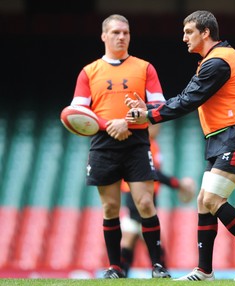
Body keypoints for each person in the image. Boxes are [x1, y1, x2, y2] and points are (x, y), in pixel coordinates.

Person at [125, 10, 235, 281]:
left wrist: (148, 114)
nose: (184, 38)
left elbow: (188, 100)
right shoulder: (213, 60)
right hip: (222, 137)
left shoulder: (217, 62)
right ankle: (204, 270)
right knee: (204, 203)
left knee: (212, 200)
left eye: (189, 32)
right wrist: (149, 108)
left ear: (205, 32)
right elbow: (186, 97)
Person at [69, 14, 171, 279]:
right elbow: (77, 111)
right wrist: (109, 125)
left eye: (125, 32)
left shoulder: (145, 68)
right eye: (115, 32)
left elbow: (159, 107)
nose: (121, 37)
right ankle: (115, 267)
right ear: (104, 36)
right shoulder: (89, 72)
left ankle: (157, 266)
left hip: (136, 142)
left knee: (146, 203)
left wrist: (130, 121)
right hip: (103, 144)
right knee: (110, 208)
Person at [120, 124, 196, 276]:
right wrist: (178, 184)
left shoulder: (153, 144)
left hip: (146, 196)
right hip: (139, 196)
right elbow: (153, 172)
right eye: (155, 125)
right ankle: (160, 270)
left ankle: (123, 272)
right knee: (146, 236)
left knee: (133, 234)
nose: (158, 128)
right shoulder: (143, 144)